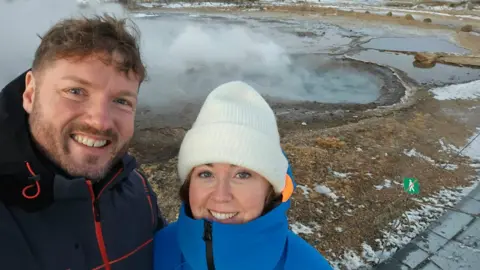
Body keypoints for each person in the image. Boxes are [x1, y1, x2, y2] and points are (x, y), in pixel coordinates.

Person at [0, 15, 166, 270]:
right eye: (75, 91)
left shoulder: (137, 190)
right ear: (31, 93)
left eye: (122, 101)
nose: (100, 122)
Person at [153, 81, 333, 269]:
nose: (221, 196)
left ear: (270, 190)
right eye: (206, 174)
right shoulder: (156, 251)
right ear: (188, 185)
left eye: (243, 175)